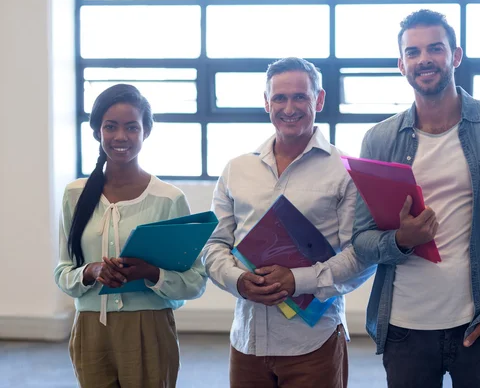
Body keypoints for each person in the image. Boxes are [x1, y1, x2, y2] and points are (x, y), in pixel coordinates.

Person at [352, 10, 480, 387]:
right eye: (413, 52)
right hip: (405, 328)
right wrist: (402, 241)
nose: (424, 59)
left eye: (435, 48)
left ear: (455, 56)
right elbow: (361, 240)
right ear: (401, 64)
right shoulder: (379, 140)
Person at [201, 57, 375, 388]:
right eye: (279, 98)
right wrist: (238, 280)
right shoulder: (237, 169)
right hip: (247, 340)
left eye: (300, 97)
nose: (289, 107)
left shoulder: (346, 171)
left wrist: (298, 280)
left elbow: (362, 256)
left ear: (319, 100)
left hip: (313, 341)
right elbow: (214, 245)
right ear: (266, 102)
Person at [54, 84, 207, 388]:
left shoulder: (168, 199)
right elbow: (62, 272)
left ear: (146, 131)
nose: (120, 137)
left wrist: (151, 273)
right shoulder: (75, 194)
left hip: (149, 328)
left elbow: (195, 282)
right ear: (97, 130)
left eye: (131, 127)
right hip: (90, 329)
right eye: (110, 127)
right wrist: (90, 271)